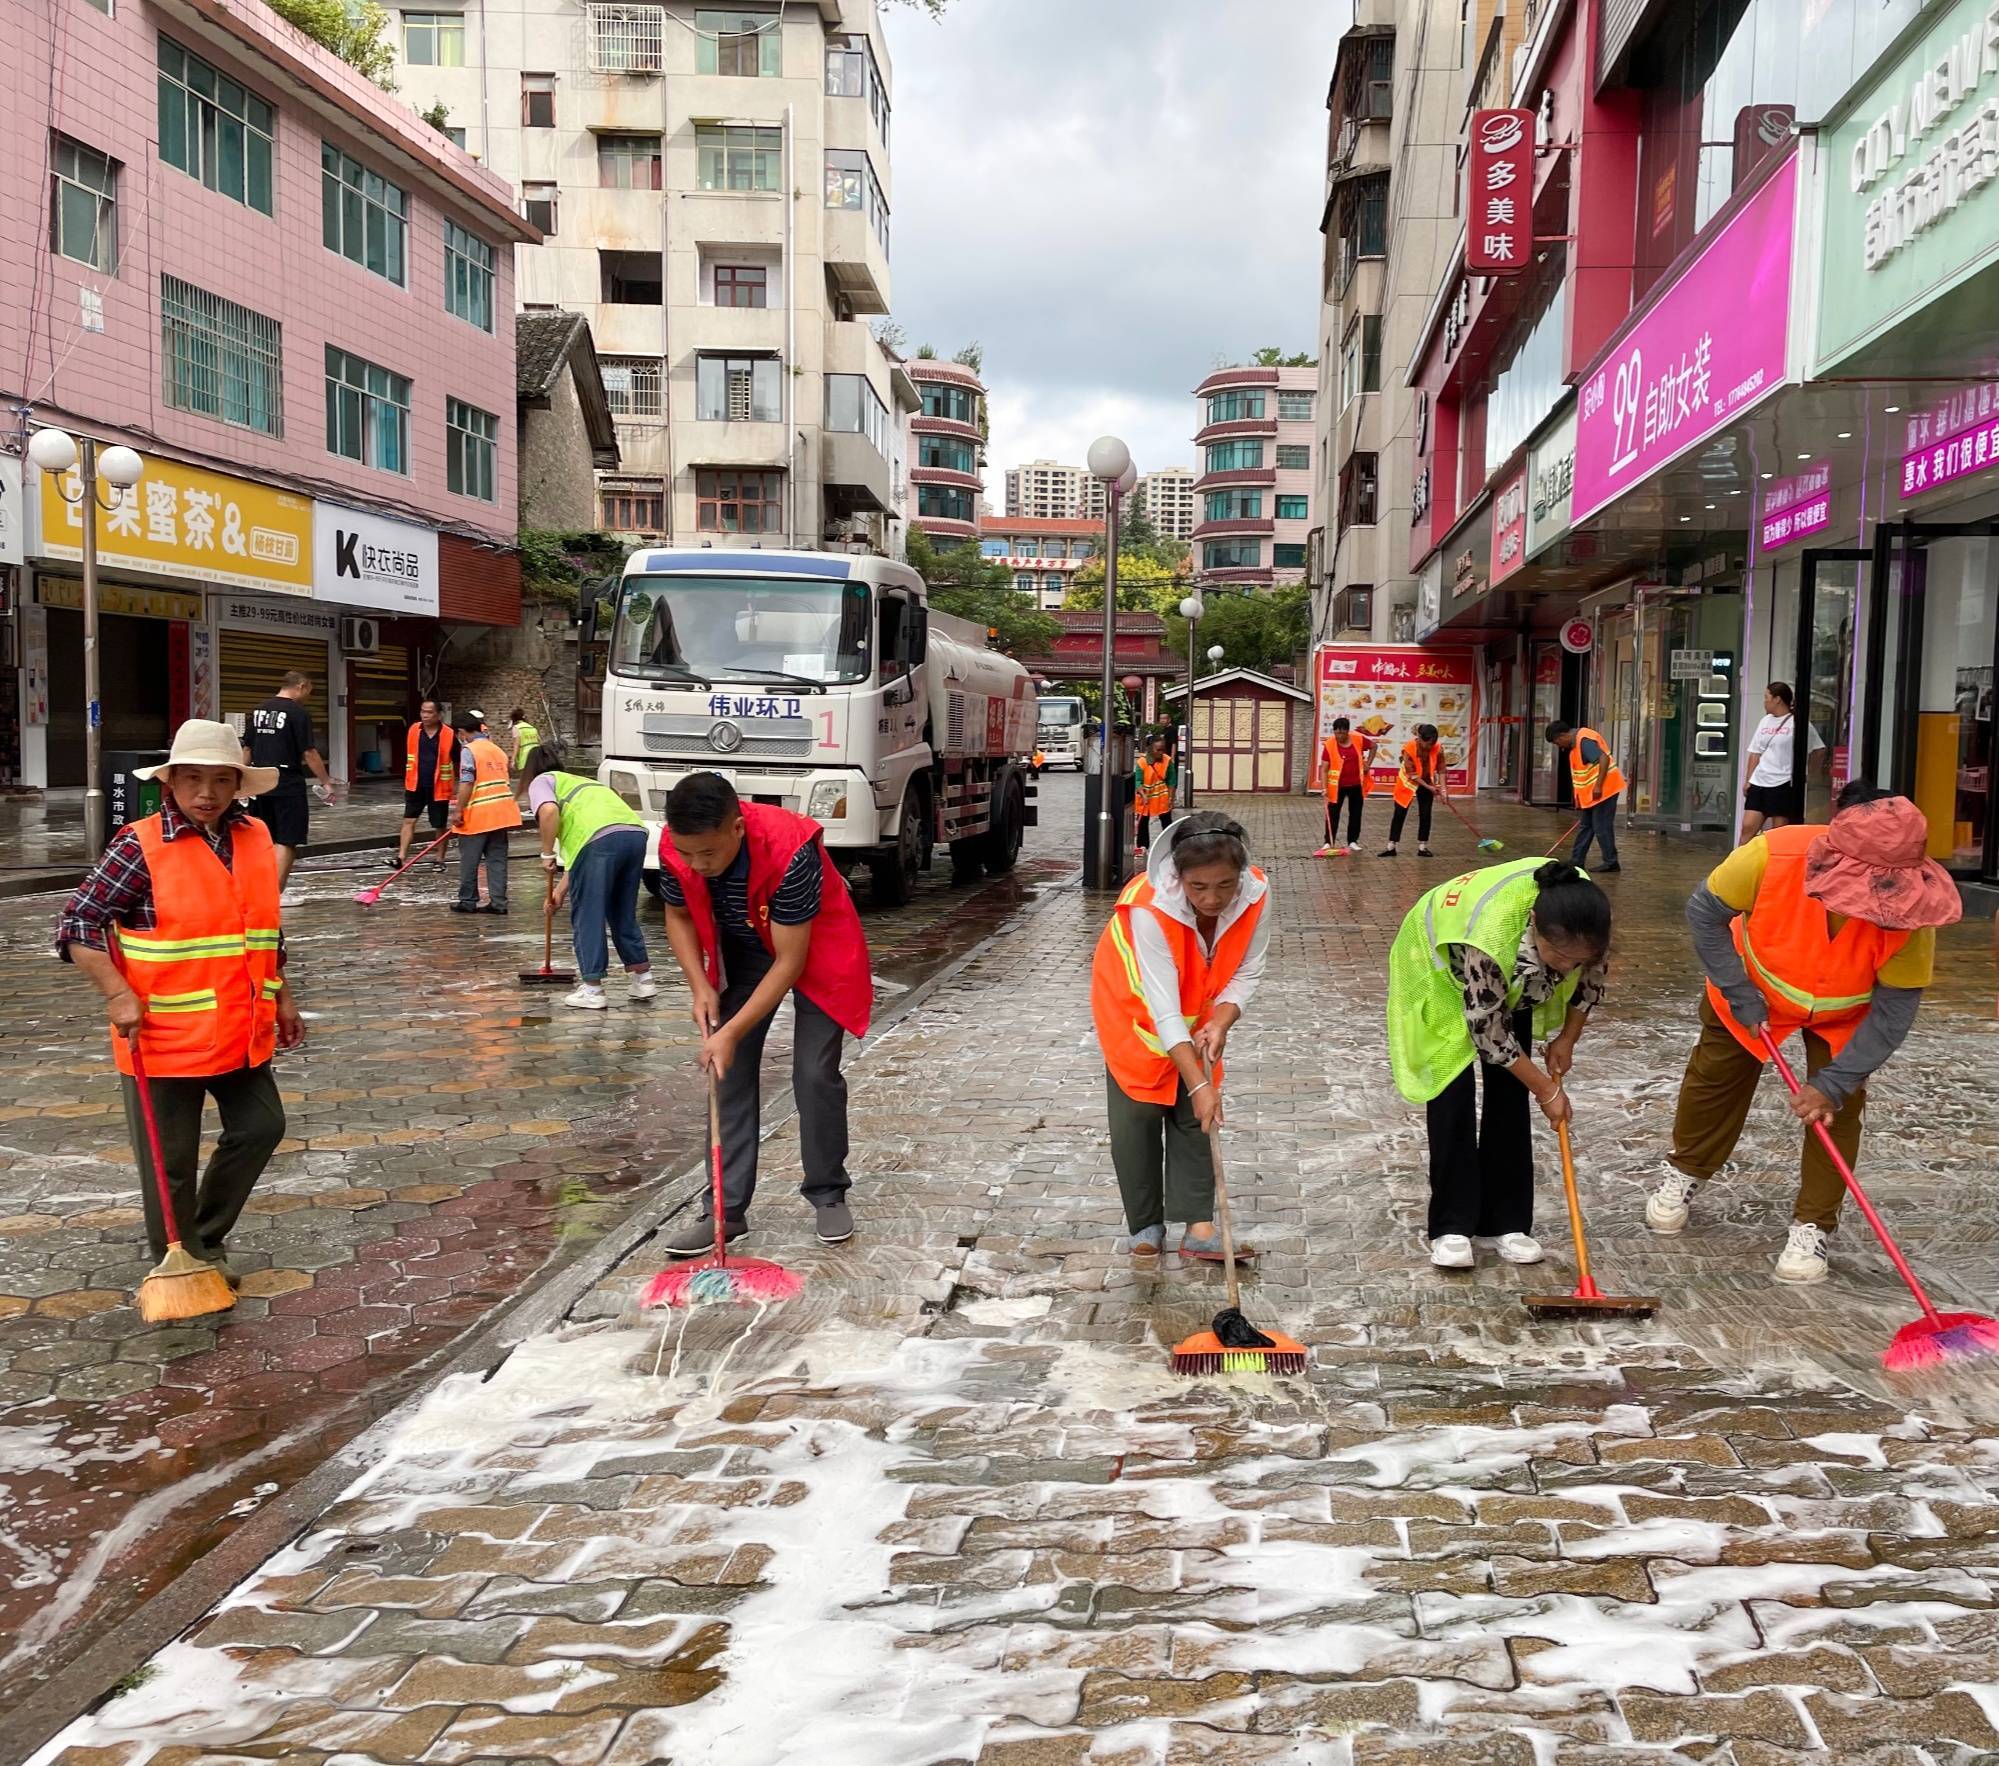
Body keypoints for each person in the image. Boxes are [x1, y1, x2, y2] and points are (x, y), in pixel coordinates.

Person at [1644, 783, 1960, 1284]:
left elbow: (1894, 1010)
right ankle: (1685, 1170)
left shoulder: (1913, 913)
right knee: (1715, 1080)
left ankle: (1814, 1224)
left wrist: (1833, 1084)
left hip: (1847, 1010)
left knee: (1834, 1111)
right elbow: (1705, 912)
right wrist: (1736, 986)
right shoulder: (1772, 854)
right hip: (1752, 987)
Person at [56, 719, 303, 1286]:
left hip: (242, 1024)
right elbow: (79, 923)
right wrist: (117, 993)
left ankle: (203, 1236)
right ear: (171, 782)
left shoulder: (254, 837)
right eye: (192, 779)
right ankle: (184, 1262)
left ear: (238, 784)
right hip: (164, 1033)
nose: (207, 793)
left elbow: (264, 927)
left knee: (261, 1127)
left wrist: (283, 995)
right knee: (169, 1165)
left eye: (220, 780)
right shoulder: (138, 845)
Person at [655, 772, 871, 1254]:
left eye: (707, 855)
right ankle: (725, 1211)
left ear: (736, 828)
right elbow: (678, 914)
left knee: (814, 1074)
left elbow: (791, 962)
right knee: (726, 1074)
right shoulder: (678, 846)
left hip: (817, 952)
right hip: (743, 951)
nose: (697, 865)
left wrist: (730, 1030)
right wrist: (700, 986)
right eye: (687, 854)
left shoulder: (792, 847)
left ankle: (828, 1192)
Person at [1389, 856, 1610, 1269]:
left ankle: (1506, 1221)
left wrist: (1568, 1038)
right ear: (1533, 924)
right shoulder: (1492, 935)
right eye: (1559, 956)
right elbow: (1488, 1033)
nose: (1566, 967)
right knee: (1451, 1092)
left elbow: (1592, 979)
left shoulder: (1585, 912)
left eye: (1575, 961)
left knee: (1511, 1089)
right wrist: (1549, 1090)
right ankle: (1451, 1225)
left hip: (1513, 972)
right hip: (1441, 966)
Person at [1091, 813, 1269, 1258]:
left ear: (1240, 874)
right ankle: (1145, 1225)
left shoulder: (1257, 895)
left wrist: (1222, 1021)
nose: (1214, 899)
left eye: (1225, 885)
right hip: (1135, 1011)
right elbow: (1164, 1009)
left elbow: (1248, 969)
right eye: (1199, 888)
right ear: (1179, 878)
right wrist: (1201, 1084)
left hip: (1200, 1006)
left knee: (1197, 1117)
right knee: (1138, 1115)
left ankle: (1199, 1228)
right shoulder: (1148, 907)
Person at [524, 744, 654, 1011]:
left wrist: (546, 854)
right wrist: (558, 893)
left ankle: (593, 989)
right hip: (634, 834)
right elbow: (582, 856)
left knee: (588, 913)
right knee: (622, 911)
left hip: (598, 840)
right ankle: (643, 979)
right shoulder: (583, 783)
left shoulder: (541, 781)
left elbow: (548, 812)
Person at [243, 671, 335, 889]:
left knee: (263, 838)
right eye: (309, 691)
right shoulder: (298, 713)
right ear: (302, 686)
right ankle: (275, 891)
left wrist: (241, 778)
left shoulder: (258, 710)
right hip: (287, 783)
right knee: (287, 838)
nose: (308, 696)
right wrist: (326, 781)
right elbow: (309, 752)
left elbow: (247, 748)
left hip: (259, 782)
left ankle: (259, 886)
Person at [448, 710, 520, 915]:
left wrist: (458, 811)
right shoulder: (496, 749)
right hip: (502, 813)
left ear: (462, 733)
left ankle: (467, 900)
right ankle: (499, 903)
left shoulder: (469, 750)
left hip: (479, 814)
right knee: (497, 860)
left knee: (470, 859)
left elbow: (467, 783)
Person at [1740, 682, 1825, 840]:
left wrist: (1810, 773)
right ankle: (1738, 861)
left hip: (1783, 782)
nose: (1764, 702)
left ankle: (1775, 862)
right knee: (1748, 827)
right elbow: (1755, 753)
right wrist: (1748, 780)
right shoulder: (1765, 721)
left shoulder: (1798, 723)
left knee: (1779, 831)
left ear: (1777, 699)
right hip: (1760, 780)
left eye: (1767, 698)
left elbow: (1819, 750)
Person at [1547, 720, 1624, 873]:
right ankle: (1577, 861)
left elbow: (1603, 759)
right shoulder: (1575, 746)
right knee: (1586, 826)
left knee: (1601, 827)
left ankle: (1611, 862)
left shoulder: (1584, 741)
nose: (1559, 746)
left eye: (1557, 742)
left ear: (1563, 735)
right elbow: (1582, 777)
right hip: (1592, 795)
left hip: (1605, 790)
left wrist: (1598, 786)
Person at [396, 698, 457, 868]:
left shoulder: (449, 734)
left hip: (439, 787)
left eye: (429, 712)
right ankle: (401, 857)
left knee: (439, 825)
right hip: (415, 784)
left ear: (439, 715)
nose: (425, 715)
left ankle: (440, 859)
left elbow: (459, 761)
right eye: (423, 711)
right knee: (409, 820)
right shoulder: (414, 730)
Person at [1380, 724, 1447, 858]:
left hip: (1427, 781)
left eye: (1432, 744)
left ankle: (1423, 846)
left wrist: (1443, 790)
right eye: (1427, 744)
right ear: (1419, 738)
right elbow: (1412, 774)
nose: (1429, 747)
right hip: (1408, 782)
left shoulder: (1438, 748)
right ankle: (1391, 846)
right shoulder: (1408, 748)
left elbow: (1441, 769)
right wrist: (1431, 788)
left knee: (1426, 814)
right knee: (1399, 813)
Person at [1318, 717, 1378, 857]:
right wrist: (1324, 787)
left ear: (1347, 732)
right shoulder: (1330, 744)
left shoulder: (1358, 739)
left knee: (1355, 813)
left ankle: (1353, 841)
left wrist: (1368, 764)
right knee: (1333, 814)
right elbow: (1324, 769)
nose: (1339, 736)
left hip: (1356, 784)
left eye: (1342, 733)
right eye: (1336, 733)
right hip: (1337, 786)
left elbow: (1374, 746)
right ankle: (1328, 841)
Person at [1132, 734, 1176, 853]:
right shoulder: (1142, 762)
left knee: (1166, 822)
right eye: (1158, 750)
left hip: (1161, 796)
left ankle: (1170, 845)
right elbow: (1138, 781)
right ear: (1151, 748)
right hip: (1144, 797)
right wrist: (1143, 794)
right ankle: (1143, 847)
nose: (1161, 752)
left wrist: (1171, 798)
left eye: (1163, 749)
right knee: (1142, 823)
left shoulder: (1167, 761)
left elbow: (1172, 781)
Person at [509, 707, 542, 789]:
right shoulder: (532, 728)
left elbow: (516, 745)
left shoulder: (517, 728)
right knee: (535, 777)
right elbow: (540, 741)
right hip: (537, 754)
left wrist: (512, 760)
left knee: (526, 779)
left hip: (525, 755)